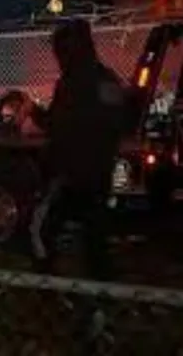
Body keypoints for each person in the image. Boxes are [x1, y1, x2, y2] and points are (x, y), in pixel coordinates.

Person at [29, 19, 127, 281]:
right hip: (100, 173)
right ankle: (99, 289)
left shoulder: (73, 83)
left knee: (42, 230)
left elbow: (58, 127)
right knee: (95, 235)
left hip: (69, 176)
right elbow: (120, 121)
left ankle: (47, 284)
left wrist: (32, 111)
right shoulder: (108, 79)